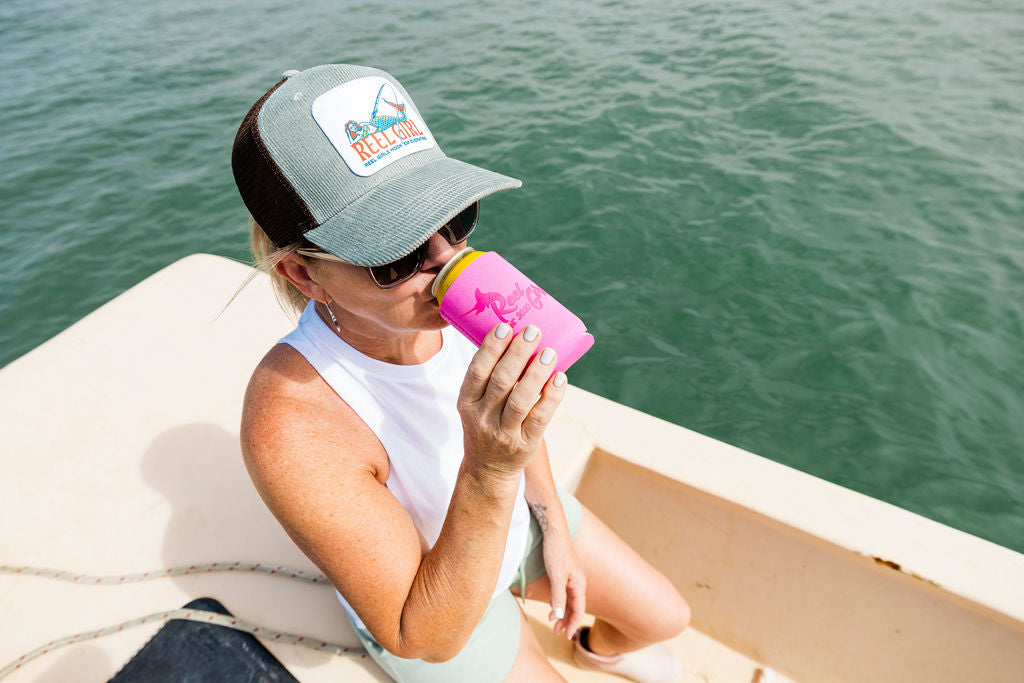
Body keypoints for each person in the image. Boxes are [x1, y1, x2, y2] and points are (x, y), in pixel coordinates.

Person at [232, 64, 690, 682]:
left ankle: (597, 648)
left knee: (667, 616)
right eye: (396, 253)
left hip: (510, 511)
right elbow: (419, 634)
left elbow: (519, 437)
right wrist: (491, 464)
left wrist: (551, 523)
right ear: (305, 276)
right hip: (430, 593)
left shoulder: (439, 312)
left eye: (453, 218)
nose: (450, 262)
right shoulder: (292, 419)